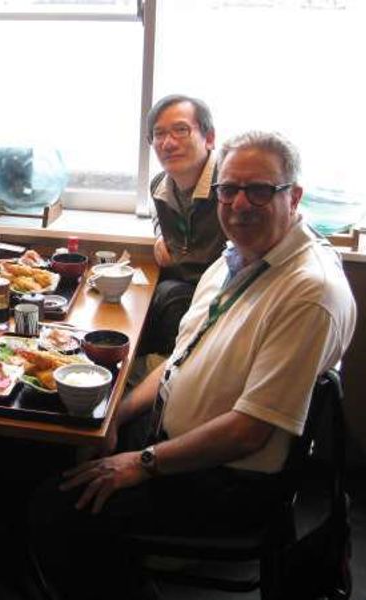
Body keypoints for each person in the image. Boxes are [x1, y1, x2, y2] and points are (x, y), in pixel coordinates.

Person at [30, 131, 357, 599]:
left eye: (260, 189)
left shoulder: (308, 291)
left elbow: (250, 431)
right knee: (64, 438)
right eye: (228, 189)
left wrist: (141, 462)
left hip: (230, 478)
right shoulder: (235, 260)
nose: (239, 203)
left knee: (57, 509)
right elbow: (177, 361)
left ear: (294, 196)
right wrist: (118, 416)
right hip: (175, 441)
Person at [142, 95, 227, 356]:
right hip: (185, 287)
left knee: (170, 296)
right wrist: (160, 236)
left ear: (209, 137)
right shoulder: (159, 185)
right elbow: (157, 214)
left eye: (181, 130)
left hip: (224, 297)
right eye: (158, 134)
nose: (168, 143)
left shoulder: (229, 184)